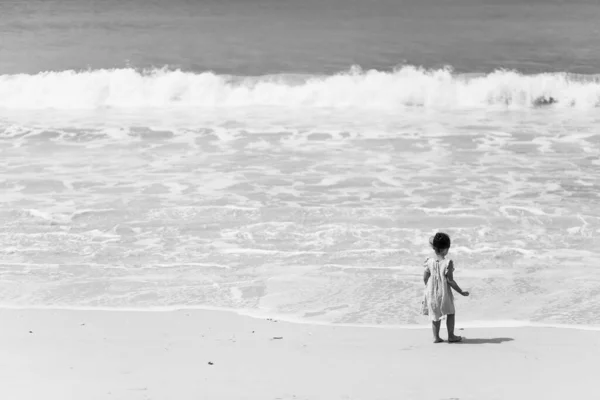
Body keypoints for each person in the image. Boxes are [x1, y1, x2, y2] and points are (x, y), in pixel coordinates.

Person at [423, 232, 469, 343]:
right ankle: (451, 336)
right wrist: (461, 291)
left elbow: (425, 277)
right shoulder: (448, 263)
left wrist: (429, 288)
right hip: (443, 294)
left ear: (434, 247)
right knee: (450, 313)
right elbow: (450, 281)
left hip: (431, 292)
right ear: (445, 249)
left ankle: (436, 337)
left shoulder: (429, 261)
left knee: (435, 315)